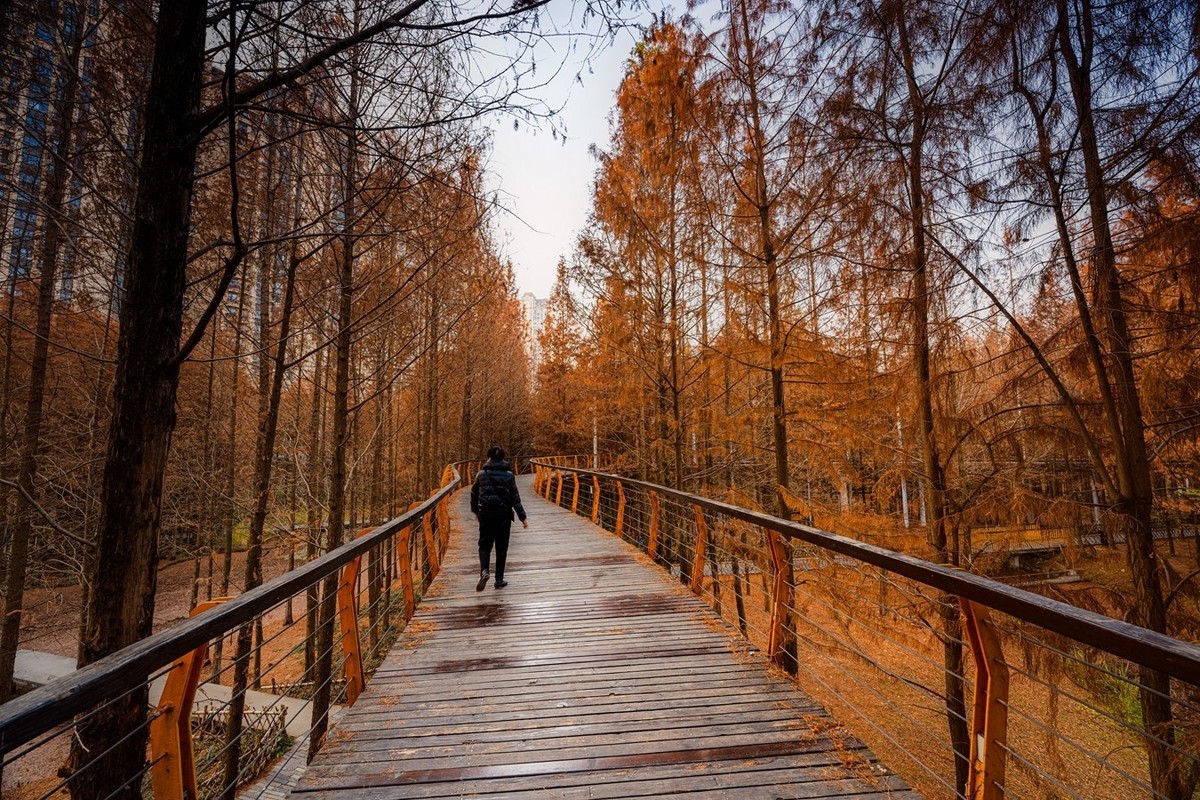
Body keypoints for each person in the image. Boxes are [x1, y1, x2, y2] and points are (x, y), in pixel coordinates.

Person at [470, 445, 527, 590]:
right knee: (501, 547)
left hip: (486, 514)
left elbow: (474, 494)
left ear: (489, 457)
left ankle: (484, 571)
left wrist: (476, 511)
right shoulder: (509, 475)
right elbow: (515, 498)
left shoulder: (481, 474)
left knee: (484, 544)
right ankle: (499, 580)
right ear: (503, 458)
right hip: (503, 514)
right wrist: (523, 518)